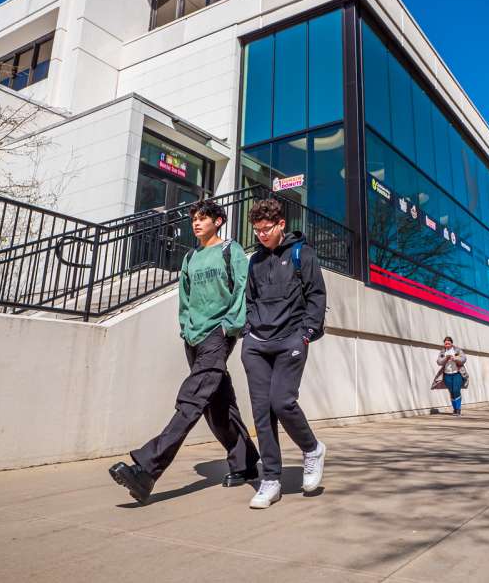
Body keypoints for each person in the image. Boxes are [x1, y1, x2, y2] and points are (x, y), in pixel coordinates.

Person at [109, 200, 259, 505]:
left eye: (203, 218)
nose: (196, 223)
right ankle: (245, 463)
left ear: (218, 221)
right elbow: (185, 298)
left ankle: (147, 469)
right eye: (194, 219)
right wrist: (186, 328)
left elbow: (243, 290)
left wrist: (229, 326)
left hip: (219, 333)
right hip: (194, 336)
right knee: (217, 407)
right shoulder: (190, 257)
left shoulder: (232, 251)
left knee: (191, 400)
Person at [242, 198, 327, 510]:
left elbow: (316, 294)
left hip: (290, 338)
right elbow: (249, 298)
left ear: (280, 224)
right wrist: (247, 330)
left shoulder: (300, 254)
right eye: (257, 231)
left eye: (266, 229)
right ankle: (271, 479)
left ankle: (312, 449)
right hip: (256, 343)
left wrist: (306, 334)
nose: (262, 235)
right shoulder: (255, 261)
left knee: (282, 401)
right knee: (262, 411)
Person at [437, 337, 468, 415]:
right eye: (446, 343)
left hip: (457, 373)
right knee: (451, 392)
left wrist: (455, 358)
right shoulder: (442, 352)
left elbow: (463, 359)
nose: (447, 345)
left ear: (451, 343)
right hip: (447, 374)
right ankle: (455, 409)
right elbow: (439, 362)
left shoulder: (457, 350)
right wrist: (446, 358)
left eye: (449, 343)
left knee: (456, 390)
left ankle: (458, 409)